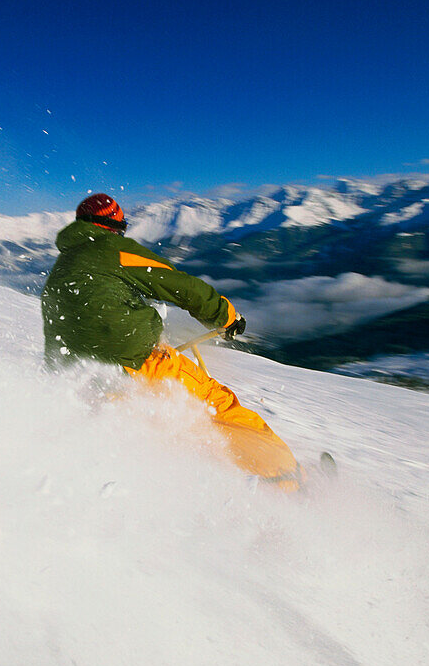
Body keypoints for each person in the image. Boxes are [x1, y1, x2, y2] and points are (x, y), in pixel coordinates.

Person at [41, 193, 304, 491]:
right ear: (113, 226)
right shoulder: (111, 249)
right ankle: (289, 480)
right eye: (122, 226)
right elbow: (178, 284)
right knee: (219, 408)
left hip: (81, 381)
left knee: (167, 433)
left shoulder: (61, 268)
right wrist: (225, 316)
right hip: (137, 365)